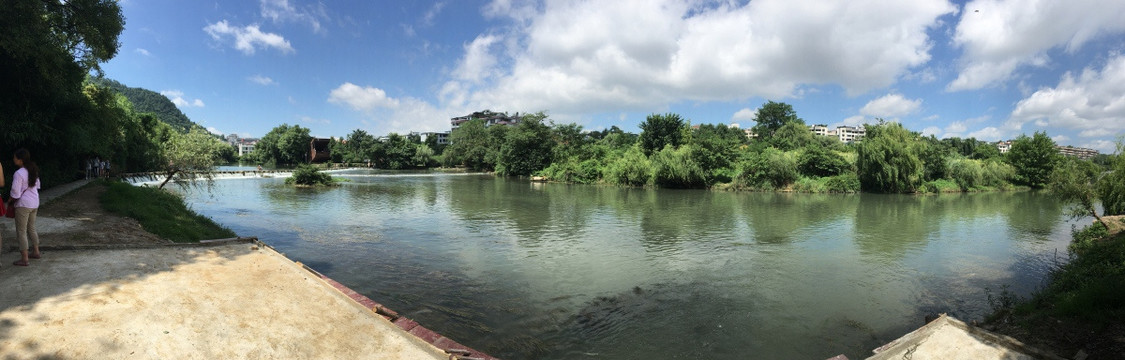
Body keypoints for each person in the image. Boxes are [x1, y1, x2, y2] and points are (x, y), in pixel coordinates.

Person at [9, 148, 41, 267]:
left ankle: (24, 258)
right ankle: (36, 251)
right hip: (34, 202)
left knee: (21, 231)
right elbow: (37, 186)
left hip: (23, 204)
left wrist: (10, 200)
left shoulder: (18, 173)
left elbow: (15, 192)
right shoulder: (33, 170)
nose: (13, 159)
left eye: (15, 157)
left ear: (20, 160)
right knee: (31, 228)